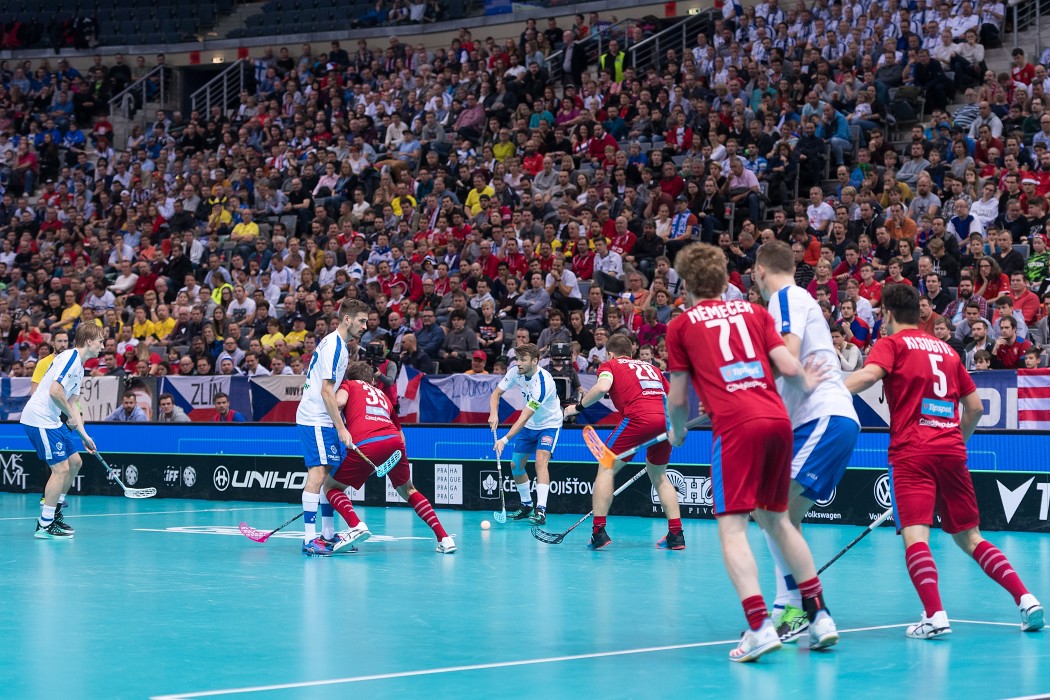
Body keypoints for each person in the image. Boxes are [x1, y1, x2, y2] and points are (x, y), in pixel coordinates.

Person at [666, 243, 838, 662]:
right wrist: (813, 386)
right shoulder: (756, 313)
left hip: (737, 427)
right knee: (778, 521)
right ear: (726, 280)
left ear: (687, 284)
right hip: (778, 422)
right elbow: (792, 369)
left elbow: (678, 398)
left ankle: (760, 626)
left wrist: (675, 432)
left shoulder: (681, 326)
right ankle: (820, 617)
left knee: (732, 527)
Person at [844, 284, 1043, 638]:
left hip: (911, 452)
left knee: (916, 537)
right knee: (971, 538)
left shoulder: (892, 344)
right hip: (951, 449)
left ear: (888, 314)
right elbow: (976, 408)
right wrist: (954, 443)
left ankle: (935, 616)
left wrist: (825, 389)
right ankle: (1027, 600)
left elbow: (869, 376)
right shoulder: (948, 351)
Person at [754, 241, 862, 643]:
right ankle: (801, 612)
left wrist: (740, 386)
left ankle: (808, 610)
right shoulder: (794, 300)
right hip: (821, 420)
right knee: (778, 518)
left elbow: (788, 357)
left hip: (824, 416)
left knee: (769, 510)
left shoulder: (784, 298)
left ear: (761, 270)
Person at [563, 334, 684, 550]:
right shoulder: (652, 368)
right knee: (659, 475)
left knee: (606, 468)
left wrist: (577, 408)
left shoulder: (610, 365)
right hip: (665, 421)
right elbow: (674, 397)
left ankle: (598, 532)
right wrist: (677, 426)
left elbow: (601, 388)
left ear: (610, 353)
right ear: (631, 352)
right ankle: (676, 535)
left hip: (638, 417)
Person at [325, 361, 456, 554]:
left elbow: (339, 403)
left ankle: (355, 525)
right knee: (409, 490)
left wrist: (337, 420)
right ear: (372, 380)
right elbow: (401, 435)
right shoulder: (383, 396)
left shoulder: (349, 384)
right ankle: (444, 538)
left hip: (366, 444)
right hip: (394, 443)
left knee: (331, 487)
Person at [295, 298, 370, 556]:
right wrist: (341, 428)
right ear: (347, 319)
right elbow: (327, 391)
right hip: (316, 417)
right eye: (361, 321)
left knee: (330, 477)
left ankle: (327, 535)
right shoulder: (334, 347)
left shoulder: (343, 347)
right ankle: (309, 539)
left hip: (325, 418)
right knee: (317, 475)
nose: (365, 326)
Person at [20, 323, 104, 539]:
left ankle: (54, 512)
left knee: (76, 462)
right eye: (100, 341)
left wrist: (85, 436)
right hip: (40, 418)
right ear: (88, 341)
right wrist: (69, 416)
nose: (103, 346)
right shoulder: (70, 358)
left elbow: (73, 405)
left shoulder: (80, 368)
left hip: (53, 419)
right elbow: (55, 391)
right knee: (60, 470)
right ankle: (45, 525)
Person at [488, 343, 562, 525]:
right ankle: (527, 504)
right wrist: (493, 413)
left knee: (540, 461)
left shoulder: (543, 383)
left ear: (535, 361)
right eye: (518, 359)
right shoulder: (515, 372)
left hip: (549, 424)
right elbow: (496, 393)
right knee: (515, 465)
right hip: (530, 425)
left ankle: (541, 510)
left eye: (523, 360)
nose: (519, 363)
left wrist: (505, 439)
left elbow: (524, 415)